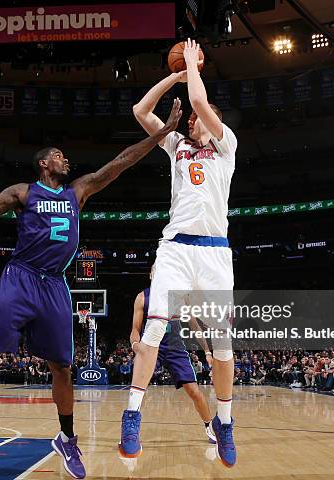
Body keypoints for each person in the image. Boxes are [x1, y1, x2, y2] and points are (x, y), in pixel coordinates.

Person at [0, 101, 182, 480]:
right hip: (21, 278)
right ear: (44, 163)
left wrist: (159, 134)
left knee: (63, 366)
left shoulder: (79, 191)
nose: (65, 160)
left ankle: (66, 438)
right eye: (59, 156)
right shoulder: (23, 193)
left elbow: (120, 162)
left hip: (55, 283)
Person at [119, 38, 238, 468]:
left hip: (214, 254)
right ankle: (132, 414)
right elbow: (140, 112)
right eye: (191, 118)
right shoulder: (177, 147)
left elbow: (201, 101)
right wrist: (176, 73)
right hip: (174, 247)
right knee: (152, 331)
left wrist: (194, 72)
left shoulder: (227, 148)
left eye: (201, 116)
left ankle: (224, 422)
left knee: (222, 347)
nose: (194, 118)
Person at [130, 284, 217, 443]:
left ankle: (209, 427)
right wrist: (136, 346)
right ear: (152, 275)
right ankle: (130, 435)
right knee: (138, 391)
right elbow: (135, 329)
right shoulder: (142, 297)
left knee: (194, 391)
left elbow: (194, 325)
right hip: (150, 348)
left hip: (175, 348)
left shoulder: (180, 297)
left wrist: (207, 351)